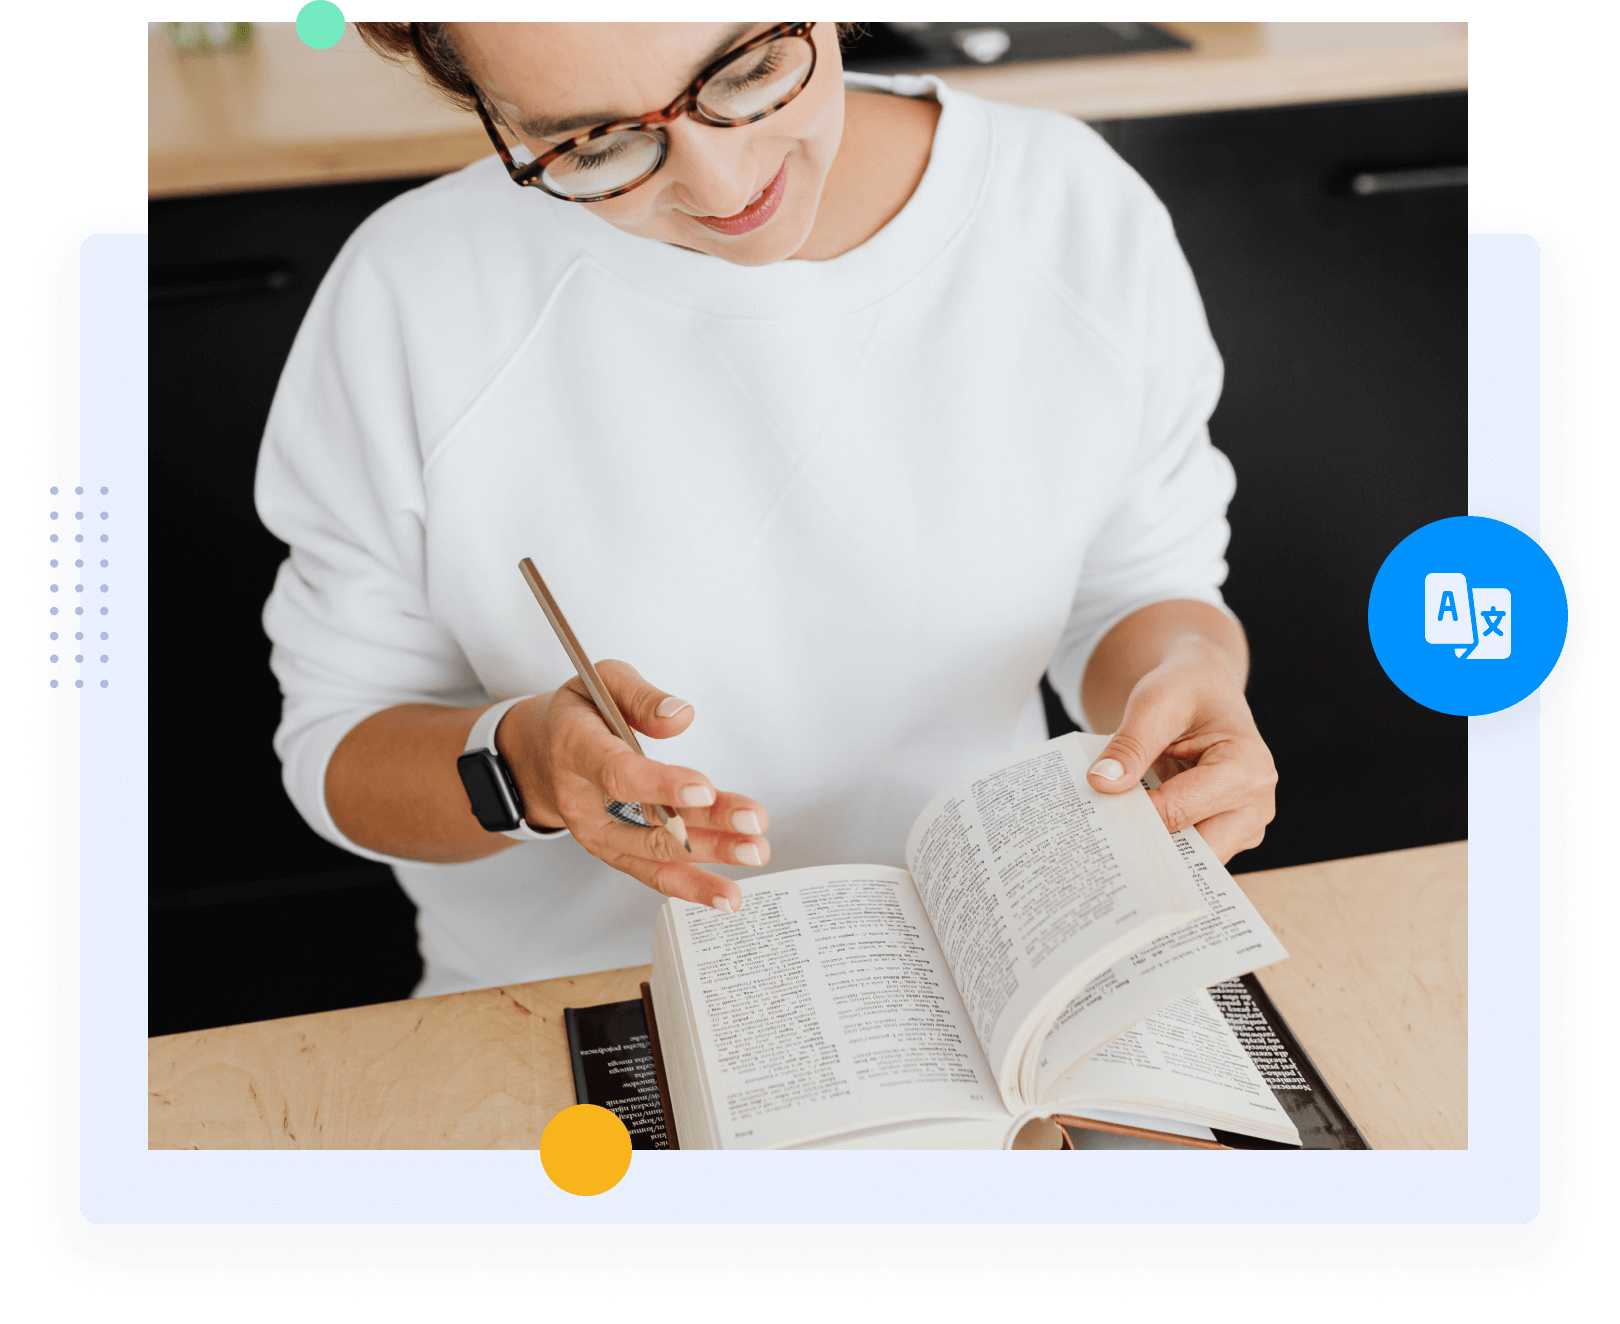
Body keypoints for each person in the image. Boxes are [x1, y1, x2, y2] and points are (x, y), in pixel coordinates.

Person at [256, 21, 1277, 998]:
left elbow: (1137, 587)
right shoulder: (416, 292)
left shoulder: (1066, 206)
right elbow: (339, 746)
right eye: (595, 143)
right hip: (575, 1003)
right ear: (494, 113)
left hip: (990, 980)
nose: (721, 185)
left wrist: (1187, 677)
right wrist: (524, 768)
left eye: (745, 74)